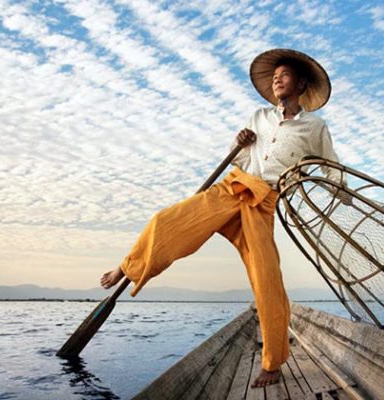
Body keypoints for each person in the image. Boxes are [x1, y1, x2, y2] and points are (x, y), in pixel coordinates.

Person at [100, 48, 343, 388]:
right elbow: (243, 159)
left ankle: (273, 363)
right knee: (167, 222)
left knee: (267, 279)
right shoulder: (259, 116)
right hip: (232, 189)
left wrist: (343, 196)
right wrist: (240, 141)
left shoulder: (315, 127)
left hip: (263, 202)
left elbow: (332, 168)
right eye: (275, 75)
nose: (277, 78)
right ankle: (128, 266)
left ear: (301, 83)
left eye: (285, 75)